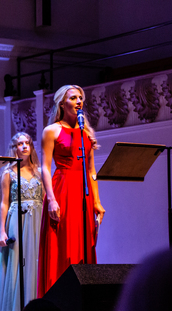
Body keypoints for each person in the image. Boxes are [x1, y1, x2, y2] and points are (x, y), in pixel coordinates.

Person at [38, 85, 105, 296]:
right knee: (62, 245)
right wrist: (51, 199)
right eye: (73, 98)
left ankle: (83, 297)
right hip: (63, 189)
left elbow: (92, 170)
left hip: (82, 192)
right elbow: (45, 168)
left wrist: (97, 201)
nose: (79, 101)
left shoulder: (87, 132)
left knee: (83, 245)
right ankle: (59, 297)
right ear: (62, 103)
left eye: (81, 98)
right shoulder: (52, 131)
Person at [0, 133, 43, 311]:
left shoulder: (39, 171)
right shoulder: (9, 172)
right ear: (14, 148)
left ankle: (36, 308)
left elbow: (45, 198)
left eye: (27, 143)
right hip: (17, 219)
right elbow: (4, 202)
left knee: (35, 260)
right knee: (17, 262)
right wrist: (2, 230)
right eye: (19, 144)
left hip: (37, 218)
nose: (24, 147)